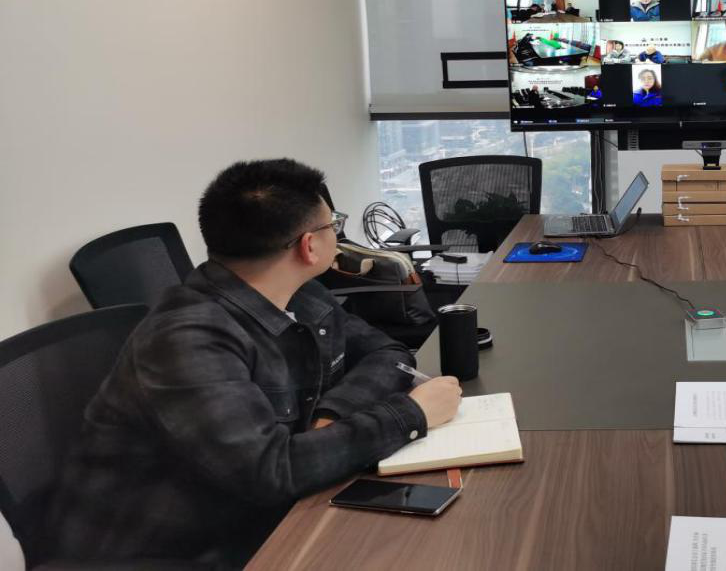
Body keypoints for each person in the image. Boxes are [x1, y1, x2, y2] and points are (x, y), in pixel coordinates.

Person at [45, 159, 463, 567]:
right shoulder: (186, 339)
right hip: (169, 548)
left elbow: (388, 354)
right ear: (309, 245)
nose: (337, 235)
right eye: (333, 224)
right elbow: (269, 472)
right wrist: (411, 414)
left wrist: (332, 416)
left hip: (258, 512)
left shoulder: (300, 294)